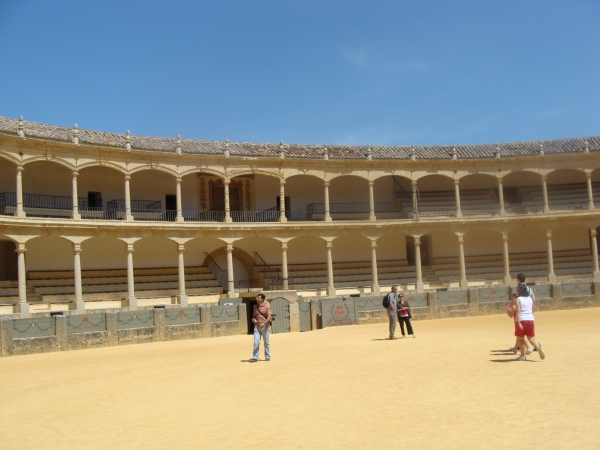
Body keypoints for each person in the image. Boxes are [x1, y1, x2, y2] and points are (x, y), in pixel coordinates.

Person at [511, 280, 546, 361]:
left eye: (517, 290)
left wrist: (518, 321)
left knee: (521, 338)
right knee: (531, 337)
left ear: (520, 291)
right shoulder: (529, 298)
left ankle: (522, 355)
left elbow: (518, 311)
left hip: (522, 319)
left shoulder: (518, 299)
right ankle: (538, 347)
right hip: (530, 319)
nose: (516, 291)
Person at [508, 273, 535, 354]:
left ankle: (527, 348)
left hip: (521, 314)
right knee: (525, 333)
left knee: (521, 334)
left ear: (518, 280)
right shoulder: (530, 289)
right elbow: (533, 301)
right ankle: (516, 347)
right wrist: (532, 312)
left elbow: (514, 300)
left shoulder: (517, 289)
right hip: (529, 313)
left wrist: (509, 307)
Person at [250, 293, 271, 362]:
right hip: (257, 327)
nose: (257, 299)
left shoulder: (267, 307)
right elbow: (254, 316)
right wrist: (253, 320)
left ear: (262, 299)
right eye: (257, 298)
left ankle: (267, 356)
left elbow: (269, 316)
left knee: (266, 342)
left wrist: (264, 323)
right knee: (256, 342)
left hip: (265, 327)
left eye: (258, 298)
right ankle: (255, 357)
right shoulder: (256, 308)